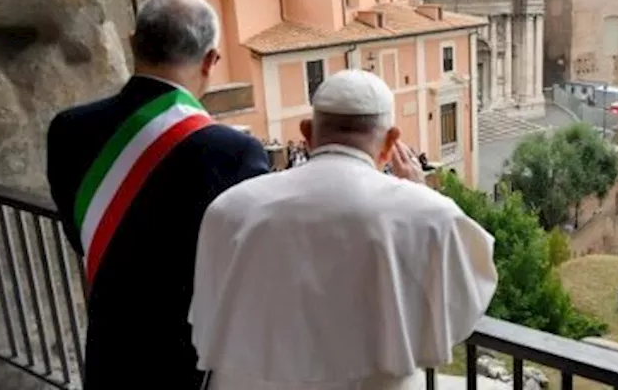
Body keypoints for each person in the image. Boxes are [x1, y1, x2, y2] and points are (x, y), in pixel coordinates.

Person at [189, 69, 497, 390]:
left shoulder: (229, 209)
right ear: (391, 141)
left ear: (307, 133)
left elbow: (208, 317)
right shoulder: (431, 215)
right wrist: (422, 196)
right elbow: (461, 312)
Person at [47, 0, 271, 390]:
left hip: (109, 347)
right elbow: (252, 264)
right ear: (211, 61)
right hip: (189, 360)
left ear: (132, 42)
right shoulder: (235, 152)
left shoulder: (68, 128)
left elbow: (81, 235)